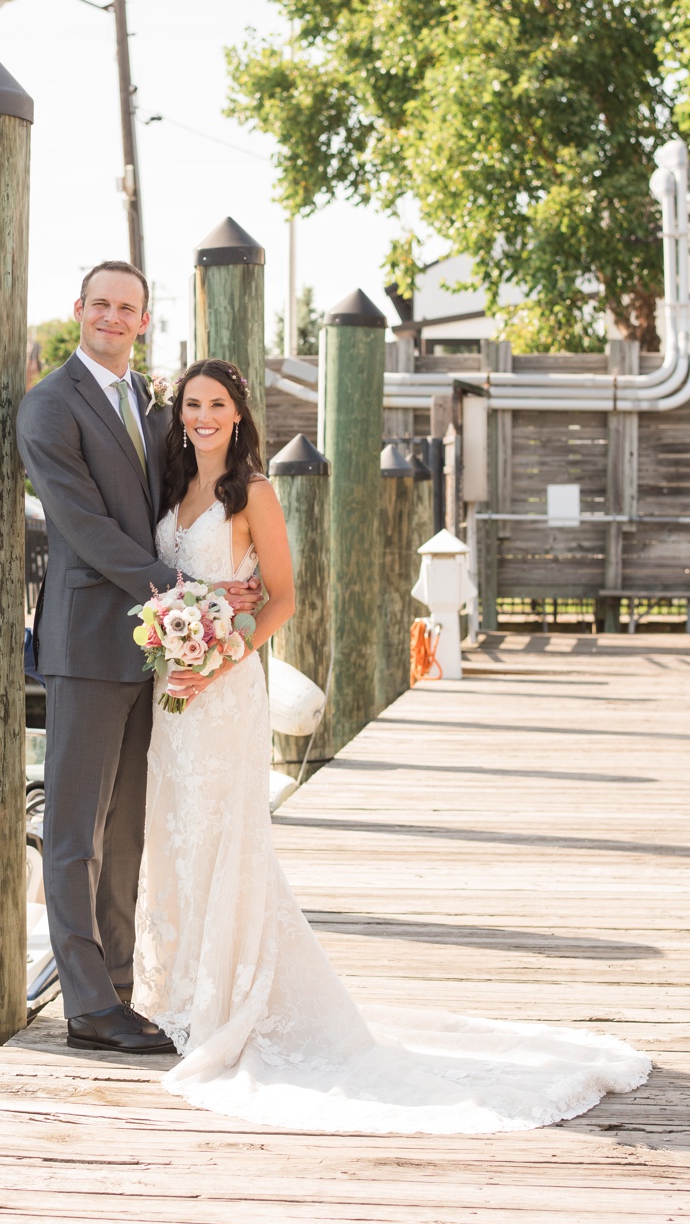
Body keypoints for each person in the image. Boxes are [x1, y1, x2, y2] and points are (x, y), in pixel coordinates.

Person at [134, 358, 649, 1132]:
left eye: (216, 404)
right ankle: (177, 995)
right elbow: (173, 584)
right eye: (191, 405)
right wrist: (182, 642)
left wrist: (221, 657)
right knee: (172, 835)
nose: (202, 416)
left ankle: (229, 1000)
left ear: (239, 415)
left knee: (224, 835)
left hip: (224, 687)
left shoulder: (256, 493)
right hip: (173, 689)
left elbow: (281, 598)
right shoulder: (172, 492)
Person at [16, 262, 259, 1054]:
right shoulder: (50, 406)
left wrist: (233, 571)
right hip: (88, 640)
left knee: (127, 832)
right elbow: (82, 526)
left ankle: (120, 989)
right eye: (102, 305)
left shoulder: (151, 406)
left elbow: (180, 498)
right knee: (75, 831)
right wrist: (189, 591)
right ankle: (86, 1006)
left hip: (154, 648)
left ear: (144, 321)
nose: (114, 317)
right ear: (77, 310)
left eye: (129, 308)